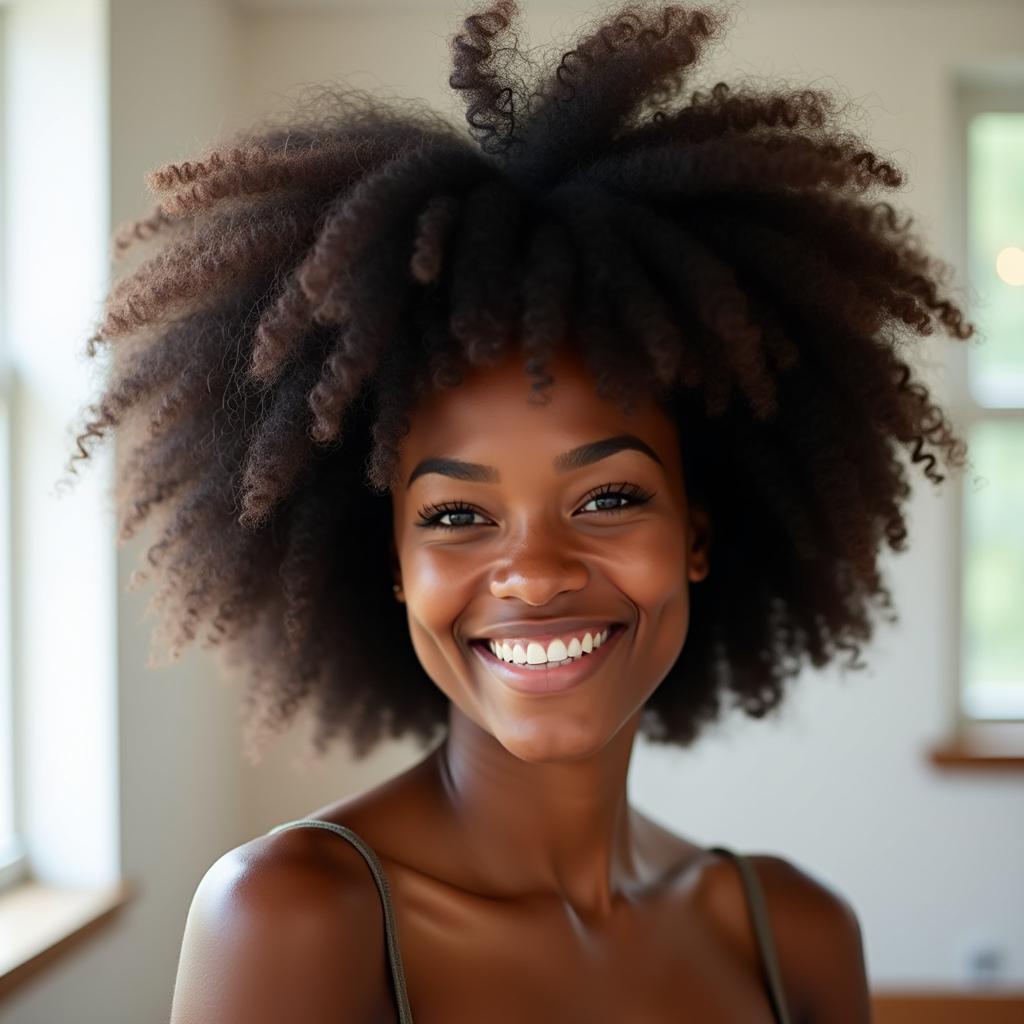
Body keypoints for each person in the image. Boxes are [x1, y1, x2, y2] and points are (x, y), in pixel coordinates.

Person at [63, 1, 975, 1020]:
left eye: (610, 497)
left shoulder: (796, 933)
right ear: (396, 563)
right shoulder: (294, 917)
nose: (535, 572)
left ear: (698, 536)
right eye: (457, 514)